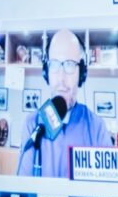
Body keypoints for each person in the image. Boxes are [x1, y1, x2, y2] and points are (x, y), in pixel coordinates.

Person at [17, 29, 112, 177]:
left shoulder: (96, 127)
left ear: (82, 73)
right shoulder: (32, 124)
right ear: (46, 72)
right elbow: (23, 193)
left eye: (69, 65)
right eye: (54, 65)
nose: (61, 79)